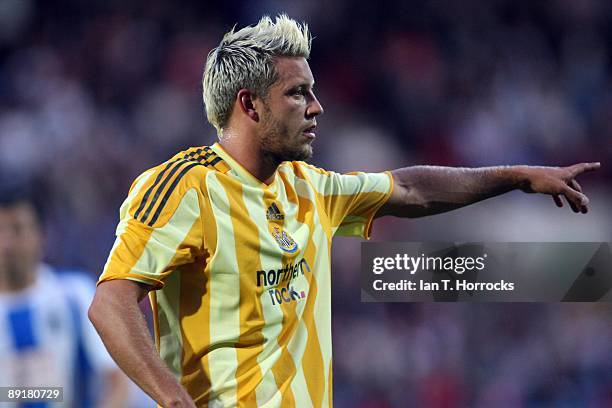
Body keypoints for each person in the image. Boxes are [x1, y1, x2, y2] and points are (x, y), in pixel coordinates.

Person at [88, 15, 600, 408]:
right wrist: (171, 398)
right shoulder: (183, 187)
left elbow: (413, 191)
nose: (316, 107)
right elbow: (110, 303)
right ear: (250, 105)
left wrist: (513, 177)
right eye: (297, 93)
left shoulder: (310, 186)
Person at [0, 179, 129, 407]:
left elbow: (117, 382)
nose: (6, 244)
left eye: (17, 229)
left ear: (41, 235)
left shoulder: (74, 295)